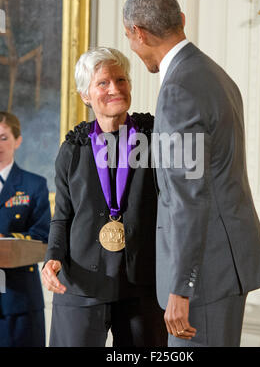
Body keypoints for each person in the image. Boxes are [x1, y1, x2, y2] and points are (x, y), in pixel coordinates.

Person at [123, 0, 260, 347]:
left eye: (129, 37)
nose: (132, 45)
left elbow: (189, 196)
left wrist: (181, 286)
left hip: (205, 274)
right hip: (226, 262)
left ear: (139, 33)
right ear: (182, 21)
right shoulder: (213, 74)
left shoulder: (178, 90)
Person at [42, 47, 167, 347]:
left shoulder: (155, 139)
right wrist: (53, 258)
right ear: (86, 95)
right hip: (81, 284)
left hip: (142, 285)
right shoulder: (73, 148)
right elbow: (63, 216)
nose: (115, 88)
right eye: (103, 83)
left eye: (121, 80)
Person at [0, 111, 50, 347]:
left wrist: (6, 240)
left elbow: (42, 238)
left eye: (3, 137)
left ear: (17, 140)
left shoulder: (34, 185)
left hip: (19, 301)